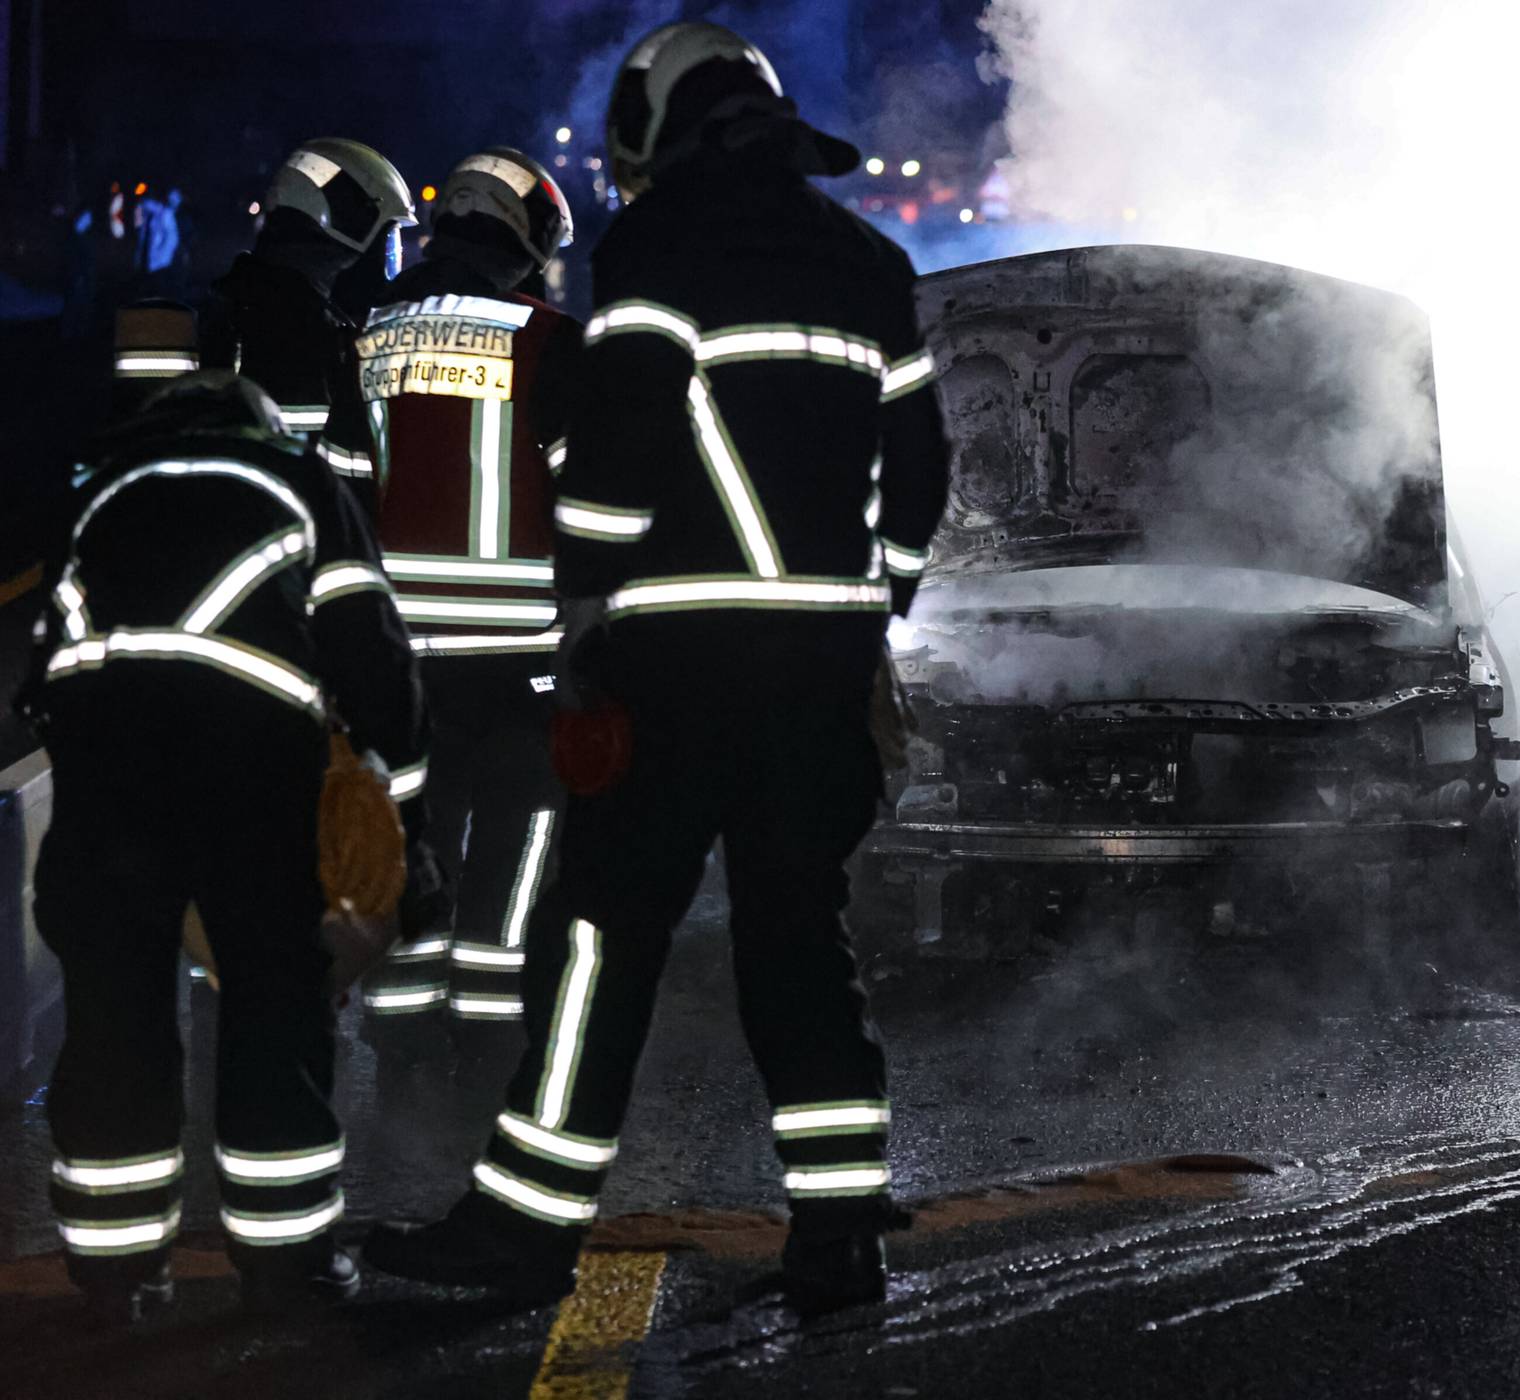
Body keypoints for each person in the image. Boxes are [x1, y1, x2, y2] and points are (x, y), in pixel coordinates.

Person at [364, 20, 951, 1312]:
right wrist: (875, 609)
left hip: (678, 667)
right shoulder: (872, 263)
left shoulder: (657, 244)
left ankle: (522, 1231)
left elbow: (620, 450)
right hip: (818, 675)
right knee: (801, 943)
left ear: (660, 121)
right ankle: (841, 1231)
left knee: (598, 944)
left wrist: (582, 612)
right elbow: (920, 474)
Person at [17, 371, 428, 1322]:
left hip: (105, 783)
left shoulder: (97, 484)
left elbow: (41, 668)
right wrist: (404, 821)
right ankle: (288, 1267)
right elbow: (375, 656)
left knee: (112, 1022)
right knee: (275, 1015)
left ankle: (116, 1279)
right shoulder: (301, 479)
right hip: (254, 776)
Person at [351, 147, 581, 1048]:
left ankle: (401, 1028)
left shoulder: (365, 337)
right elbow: (590, 502)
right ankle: (486, 1035)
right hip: (521, 662)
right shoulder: (551, 342)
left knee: (412, 840)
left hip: (393, 656)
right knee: (515, 847)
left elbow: (336, 492)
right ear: (527, 243)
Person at [200, 138, 414, 443]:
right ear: (346, 241)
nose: (389, 265)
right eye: (388, 247)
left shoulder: (234, 301)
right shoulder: (306, 337)